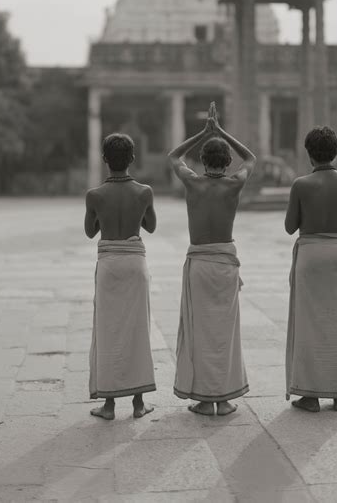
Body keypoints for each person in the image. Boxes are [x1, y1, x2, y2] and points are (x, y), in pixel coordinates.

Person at [168, 102, 255, 416]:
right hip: (225, 265)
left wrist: (203, 133)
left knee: (201, 332)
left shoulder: (193, 182)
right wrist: (222, 132)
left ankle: (205, 400)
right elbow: (251, 158)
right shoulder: (234, 184)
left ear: (202, 160)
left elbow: (173, 157)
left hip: (199, 266)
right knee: (225, 333)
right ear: (227, 162)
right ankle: (226, 397)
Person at [285, 126, 337, 412]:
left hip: (311, 255)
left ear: (309, 153)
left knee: (309, 323)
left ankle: (311, 396)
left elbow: (290, 226)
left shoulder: (301, 185)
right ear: (336, 151)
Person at [85, 133, 157, 420]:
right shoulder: (144, 191)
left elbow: (91, 231)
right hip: (135, 263)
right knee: (138, 330)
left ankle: (110, 405)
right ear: (132, 158)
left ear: (104, 159)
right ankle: (139, 403)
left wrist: (103, 213)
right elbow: (150, 225)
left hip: (109, 265)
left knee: (108, 332)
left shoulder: (95, 194)